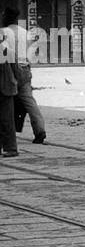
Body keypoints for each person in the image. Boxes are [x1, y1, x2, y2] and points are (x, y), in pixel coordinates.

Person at [2, 9, 46, 145]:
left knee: (5, 102)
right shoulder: (24, 33)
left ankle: (7, 134)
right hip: (24, 68)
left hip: (8, 68)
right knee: (29, 101)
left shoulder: (3, 32)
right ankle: (40, 130)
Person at [0, 14, 19, 158]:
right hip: (7, 85)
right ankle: (9, 147)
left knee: (7, 119)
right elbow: (15, 69)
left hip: (5, 86)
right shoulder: (7, 49)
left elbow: (14, 68)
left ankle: (11, 148)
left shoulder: (6, 50)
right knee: (6, 118)